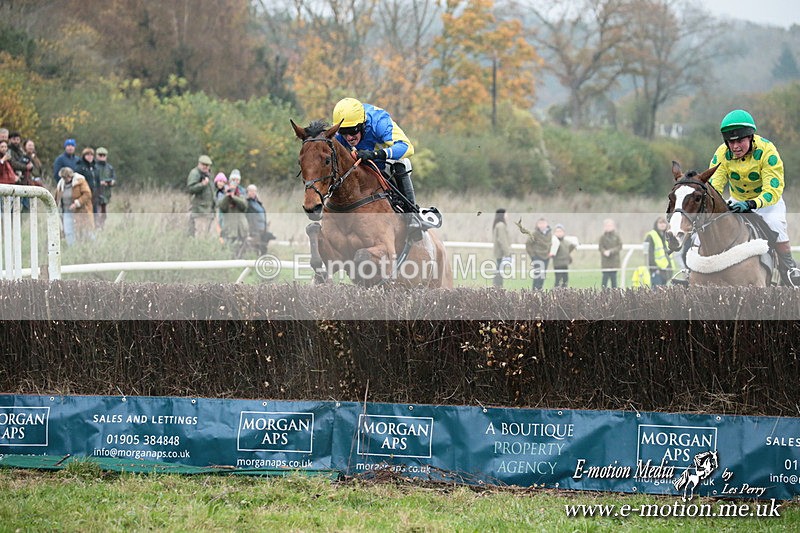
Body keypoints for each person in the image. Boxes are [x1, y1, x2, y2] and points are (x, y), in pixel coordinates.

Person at [709, 109, 800, 286]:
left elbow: (773, 189)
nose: (735, 147)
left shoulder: (767, 151)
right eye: (731, 142)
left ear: (750, 137)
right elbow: (714, 185)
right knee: (708, 222)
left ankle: (789, 270)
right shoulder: (721, 153)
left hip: (767, 203)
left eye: (740, 141)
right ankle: (692, 269)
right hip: (737, 200)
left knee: (775, 224)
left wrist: (752, 203)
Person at [332, 97, 425, 240]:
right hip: (358, 166)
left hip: (383, 162)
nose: (349, 137)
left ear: (363, 124)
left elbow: (407, 147)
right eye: (343, 132)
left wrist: (376, 155)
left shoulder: (379, 121)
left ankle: (412, 216)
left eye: (352, 131)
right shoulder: (339, 133)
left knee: (401, 164)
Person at [54, 167, 94, 245]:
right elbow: (56, 198)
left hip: (81, 211)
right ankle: (72, 247)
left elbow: (87, 194)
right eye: (63, 177)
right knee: (68, 231)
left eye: (66, 177)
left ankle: (92, 245)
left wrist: (77, 203)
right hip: (66, 212)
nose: (65, 179)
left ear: (70, 176)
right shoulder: (60, 185)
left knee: (86, 231)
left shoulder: (80, 181)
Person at [520, 217, 558, 290]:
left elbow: (551, 244)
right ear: (537, 225)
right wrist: (533, 256)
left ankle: (540, 290)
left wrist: (550, 253)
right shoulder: (535, 233)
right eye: (540, 223)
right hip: (537, 257)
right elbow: (528, 244)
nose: (542, 225)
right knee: (538, 275)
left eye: (544, 223)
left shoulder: (549, 233)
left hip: (546, 257)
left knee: (543, 275)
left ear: (547, 224)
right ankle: (534, 291)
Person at [216, 168, 249, 249]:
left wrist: (234, 197)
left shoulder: (241, 193)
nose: (235, 182)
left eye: (237, 180)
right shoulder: (223, 193)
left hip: (240, 228)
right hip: (229, 228)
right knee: (228, 249)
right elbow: (222, 207)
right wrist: (227, 196)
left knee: (241, 250)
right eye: (233, 180)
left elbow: (244, 206)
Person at [186, 155, 214, 237]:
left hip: (208, 209)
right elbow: (190, 189)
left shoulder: (208, 174)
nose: (205, 167)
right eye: (203, 164)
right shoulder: (195, 173)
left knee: (206, 234)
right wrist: (202, 184)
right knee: (199, 233)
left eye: (207, 165)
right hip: (199, 209)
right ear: (199, 164)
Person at [644, 216, 674, 287]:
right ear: (656, 224)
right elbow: (649, 254)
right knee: (656, 291)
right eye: (660, 223)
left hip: (666, 270)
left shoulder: (666, 236)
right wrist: (654, 269)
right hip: (657, 270)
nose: (662, 225)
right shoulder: (651, 235)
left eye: (664, 223)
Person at [245, 184, 275, 255]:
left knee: (263, 246)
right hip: (254, 229)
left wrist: (266, 225)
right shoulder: (246, 203)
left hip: (262, 228)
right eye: (251, 191)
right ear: (247, 192)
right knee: (255, 246)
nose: (253, 192)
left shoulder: (258, 203)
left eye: (254, 191)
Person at [94, 147, 116, 229]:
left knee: (104, 213)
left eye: (104, 155)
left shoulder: (109, 168)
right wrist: (99, 183)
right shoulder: (94, 167)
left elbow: (114, 178)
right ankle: (96, 228)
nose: (102, 157)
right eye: (100, 155)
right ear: (97, 156)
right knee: (97, 212)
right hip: (96, 194)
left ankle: (101, 227)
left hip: (106, 194)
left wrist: (112, 182)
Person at [75, 147, 101, 215]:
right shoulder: (79, 167)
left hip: (94, 195)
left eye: (91, 155)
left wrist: (99, 193)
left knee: (95, 214)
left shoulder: (95, 167)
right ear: (84, 156)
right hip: (84, 194)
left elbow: (98, 182)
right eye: (87, 154)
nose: (90, 156)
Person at [598, 218, 622, 288]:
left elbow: (619, 246)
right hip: (605, 262)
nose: (608, 227)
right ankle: (603, 294)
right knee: (604, 281)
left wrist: (611, 251)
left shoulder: (617, 236)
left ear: (613, 226)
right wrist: (604, 251)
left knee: (614, 281)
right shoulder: (602, 237)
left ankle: (615, 294)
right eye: (607, 226)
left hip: (614, 262)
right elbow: (600, 247)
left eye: (610, 225)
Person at [492, 208, 512, 288]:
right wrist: (507, 253)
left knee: (499, 272)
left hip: (499, 253)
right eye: (506, 214)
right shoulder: (501, 225)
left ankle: (497, 288)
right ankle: (497, 288)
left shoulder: (498, 225)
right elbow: (502, 240)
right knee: (499, 272)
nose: (507, 216)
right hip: (501, 253)